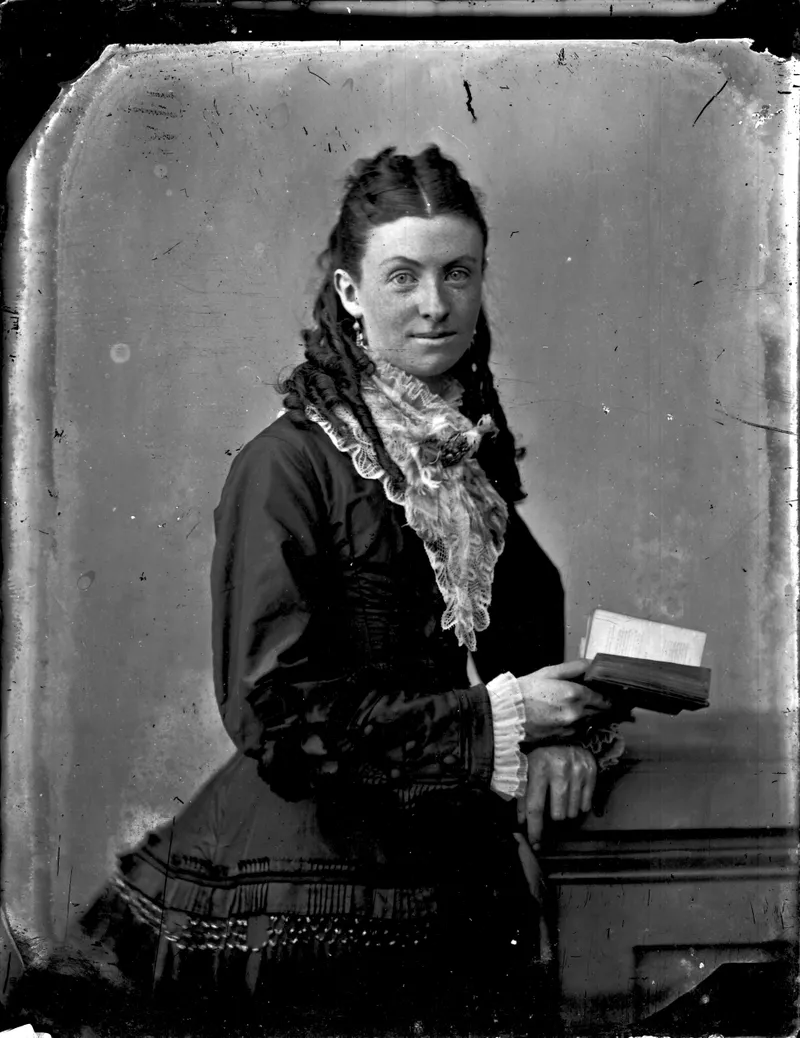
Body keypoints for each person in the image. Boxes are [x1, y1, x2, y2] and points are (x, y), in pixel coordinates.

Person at [75, 145, 623, 1036]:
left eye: (459, 273)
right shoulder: (287, 467)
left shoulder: (465, 465)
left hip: (460, 877)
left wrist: (565, 740)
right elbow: (278, 719)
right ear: (349, 292)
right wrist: (503, 721)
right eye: (403, 276)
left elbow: (523, 648)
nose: (435, 304)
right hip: (310, 887)